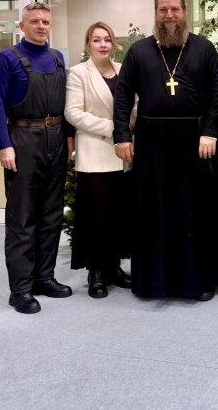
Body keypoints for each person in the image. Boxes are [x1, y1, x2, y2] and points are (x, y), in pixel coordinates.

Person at [112, 0, 218, 301]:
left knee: (197, 211)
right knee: (155, 210)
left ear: (184, 11)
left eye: (174, 9)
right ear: (155, 13)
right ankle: (155, 282)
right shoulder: (138, 51)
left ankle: (199, 280)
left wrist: (211, 132)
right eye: (163, 10)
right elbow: (123, 95)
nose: (169, 15)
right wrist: (122, 135)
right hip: (152, 141)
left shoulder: (204, 49)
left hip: (196, 140)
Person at [0, 2, 73, 314]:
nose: (41, 26)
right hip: (23, 139)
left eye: (45, 22)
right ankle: (21, 289)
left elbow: (65, 104)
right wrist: (5, 145)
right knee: (22, 219)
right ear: (22, 26)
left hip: (56, 138)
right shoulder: (7, 58)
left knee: (51, 215)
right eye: (34, 21)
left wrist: (69, 140)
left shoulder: (57, 58)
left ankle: (44, 278)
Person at [64, 22, 135, 299]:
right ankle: (95, 272)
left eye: (107, 39)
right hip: (95, 151)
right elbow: (72, 112)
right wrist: (113, 128)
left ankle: (113, 267)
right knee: (96, 216)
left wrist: (130, 126)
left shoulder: (123, 70)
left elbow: (135, 103)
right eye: (96, 40)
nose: (103, 44)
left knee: (118, 214)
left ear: (114, 43)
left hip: (124, 153)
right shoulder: (78, 73)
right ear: (88, 44)